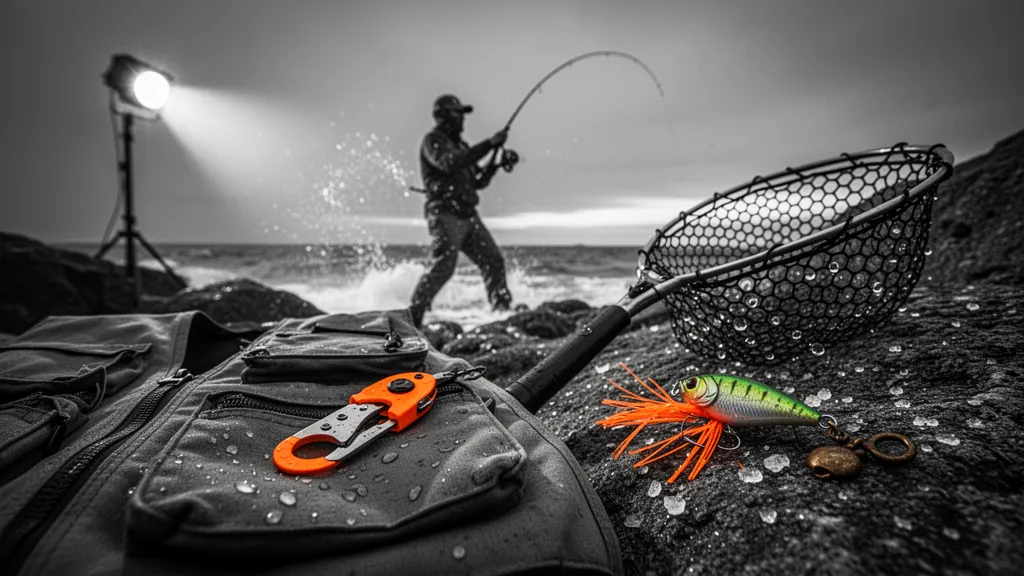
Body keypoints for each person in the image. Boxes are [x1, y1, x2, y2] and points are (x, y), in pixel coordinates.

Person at [408, 94, 520, 328]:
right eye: (458, 113)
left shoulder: (462, 146)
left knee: (493, 261)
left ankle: (502, 314)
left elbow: (478, 181)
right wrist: (490, 144)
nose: (462, 119)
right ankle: (412, 318)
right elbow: (450, 163)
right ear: (444, 115)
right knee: (444, 265)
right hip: (444, 213)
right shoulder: (433, 141)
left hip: (468, 215)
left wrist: (497, 163)